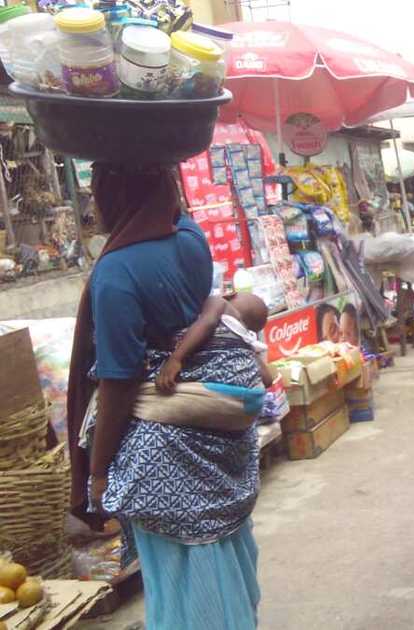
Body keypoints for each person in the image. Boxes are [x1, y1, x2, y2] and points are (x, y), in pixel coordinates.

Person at [65, 164, 260, 630]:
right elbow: (211, 303)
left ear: (120, 198)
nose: (94, 206)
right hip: (217, 432)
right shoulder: (189, 237)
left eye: (99, 194)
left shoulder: (116, 272)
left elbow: (118, 379)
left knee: (181, 576)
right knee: (223, 552)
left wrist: (96, 471)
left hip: (163, 450)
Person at [155, 293, 273, 394]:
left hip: (209, 388)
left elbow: (208, 321)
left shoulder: (220, 302)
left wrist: (176, 358)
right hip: (239, 398)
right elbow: (268, 380)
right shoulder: (245, 342)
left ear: (230, 295)